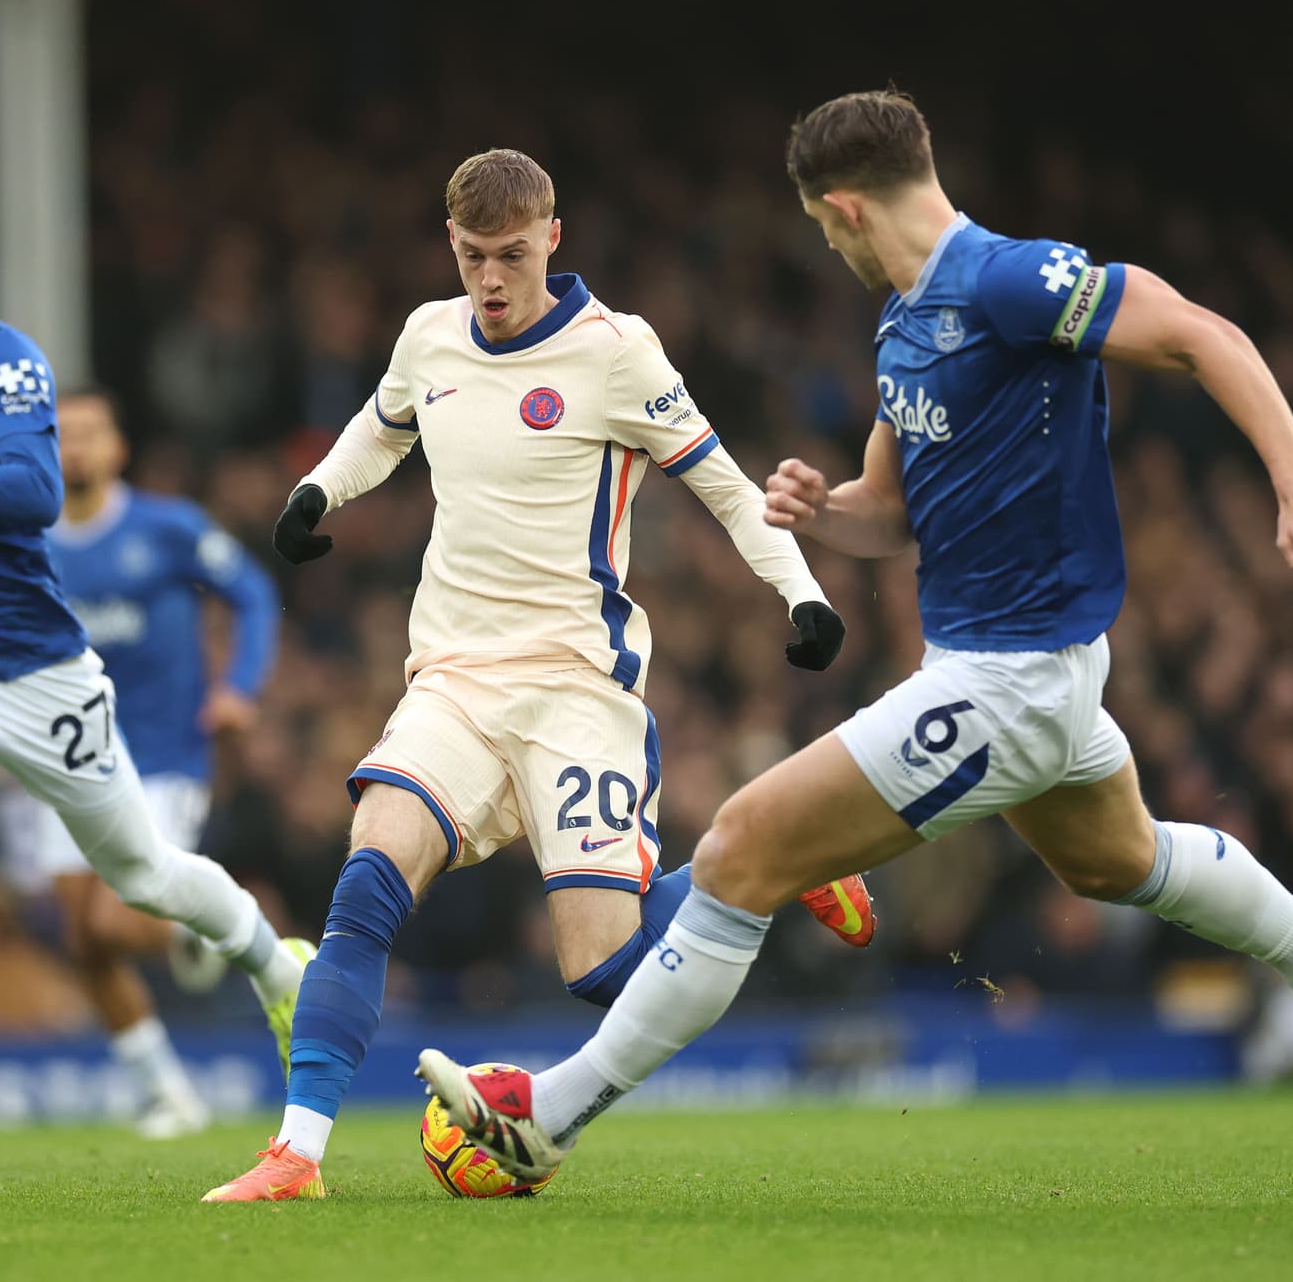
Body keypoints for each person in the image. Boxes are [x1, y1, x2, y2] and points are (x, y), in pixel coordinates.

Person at [417, 90, 1293, 1180]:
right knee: (1120, 858)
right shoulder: (904, 319)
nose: (826, 243)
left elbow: (1201, 336)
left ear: (844, 206)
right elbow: (888, 513)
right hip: (1015, 668)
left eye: (819, 225)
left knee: (744, 844)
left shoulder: (1009, 280)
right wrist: (824, 509)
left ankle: (543, 1119)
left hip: (1014, 677)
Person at [201, 149, 866, 1202]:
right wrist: (317, 493)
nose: (492, 281)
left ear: (553, 239)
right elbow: (381, 431)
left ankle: (775, 860)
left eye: (512, 255)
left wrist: (801, 593)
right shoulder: (429, 334)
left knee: (609, 975)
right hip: (454, 682)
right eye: (473, 257)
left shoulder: (617, 354)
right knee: (368, 879)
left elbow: (730, 490)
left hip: (575, 690)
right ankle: (297, 1153)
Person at [0, 182, 308, 1131]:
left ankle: (277, 968)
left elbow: (35, 491)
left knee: (142, 879)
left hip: (35, 678)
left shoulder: (4, 362)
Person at [0, 385, 311, 1138]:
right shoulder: (25, 538)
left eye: (88, 433)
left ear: (117, 450)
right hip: (66, 757)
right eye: (60, 434)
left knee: (118, 915)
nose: (74, 447)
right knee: (83, 939)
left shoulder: (167, 529)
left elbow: (254, 593)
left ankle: (206, 927)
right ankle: (168, 1091)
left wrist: (238, 687)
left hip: (164, 757)